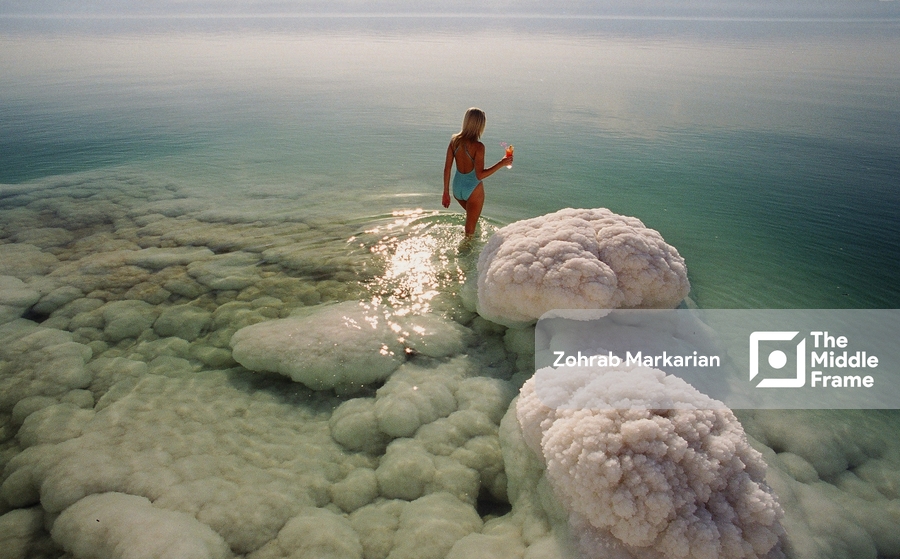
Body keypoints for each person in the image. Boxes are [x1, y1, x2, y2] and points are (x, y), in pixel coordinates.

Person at [442, 108, 513, 237]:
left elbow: (447, 168)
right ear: (480, 125)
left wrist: (446, 193)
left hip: (457, 188)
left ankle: (469, 237)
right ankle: (467, 249)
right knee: (470, 231)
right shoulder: (478, 147)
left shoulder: (454, 141)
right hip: (473, 189)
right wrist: (501, 163)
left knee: (472, 220)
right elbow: (480, 175)